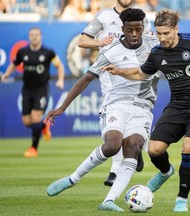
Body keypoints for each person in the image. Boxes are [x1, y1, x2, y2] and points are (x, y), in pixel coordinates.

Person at [103, 9, 190, 212]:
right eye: (159, 33)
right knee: (153, 150)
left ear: (176, 29)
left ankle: (182, 198)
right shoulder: (157, 53)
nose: (162, 38)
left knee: (189, 148)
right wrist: (119, 71)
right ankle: (165, 172)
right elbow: (140, 74)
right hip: (177, 106)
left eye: (166, 33)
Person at [45, 8, 160, 212]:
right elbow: (86, 78)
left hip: (143, 107)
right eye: (130, 30)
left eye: (138, 29)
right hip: (116, 103)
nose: (134, 34)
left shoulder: (154, 46)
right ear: (122, 29)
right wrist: (62, 107)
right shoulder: (110, 50)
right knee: (112, 146)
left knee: (133, 146)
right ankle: (73, 179)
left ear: (143, 29)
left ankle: (109, 201)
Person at [78, 0, 153, 187]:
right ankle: (115, 169)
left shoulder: (142, 18)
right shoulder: (103, 16)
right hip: (110, 77)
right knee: (115, 126)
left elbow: (152, 43)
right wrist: (99, 42)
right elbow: (82, 41)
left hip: (136, 78)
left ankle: (132, 151)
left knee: (129, 122)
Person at [1, 27, 65, 158]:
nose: (34, 37)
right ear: (29, 37)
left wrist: (60, 80)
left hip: (41, 89)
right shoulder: (22, 52)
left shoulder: (48, 52)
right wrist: (7, 73)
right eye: (32, 35)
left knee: (35, 117)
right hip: (27, 90)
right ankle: (43, 127)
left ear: (40, 36)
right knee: (27, 122)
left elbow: (60, 66)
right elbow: (14, 64)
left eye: (36, 34)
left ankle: (33, 149)